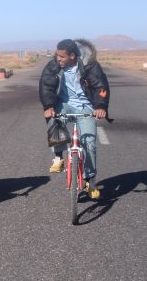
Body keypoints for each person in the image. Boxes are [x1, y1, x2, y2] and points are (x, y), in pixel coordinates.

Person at [39, 38, 109, 199]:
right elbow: (46, 85)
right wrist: (49, 106)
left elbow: (101, 87)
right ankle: (58, 157)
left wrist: (101, 107)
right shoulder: (54, 66)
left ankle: (90, 179)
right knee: (54, 121)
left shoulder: (90, 66)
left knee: (89, 142)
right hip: (64, 104)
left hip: (86, 107)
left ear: (72, 56)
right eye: (57, 55)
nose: (58, 59)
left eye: (61, 56)